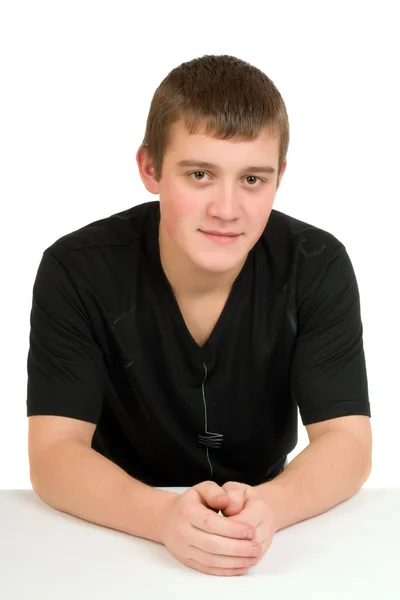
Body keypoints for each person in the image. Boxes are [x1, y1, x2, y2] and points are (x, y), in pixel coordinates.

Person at [26, 54, 372, 577]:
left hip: (264, 529)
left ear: (280, 176)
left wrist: (269, 510)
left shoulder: (316, 264)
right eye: (200, 174)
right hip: (111, 532)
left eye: (253, 179)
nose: (227, 208)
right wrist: (163, 515)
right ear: (150, 169)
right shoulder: (75, 269)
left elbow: (347, 440)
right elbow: (53, 453)